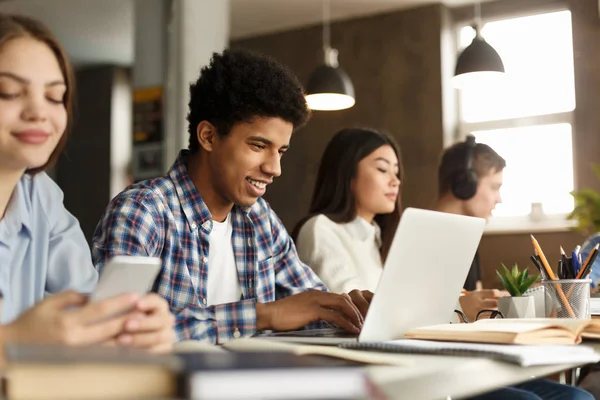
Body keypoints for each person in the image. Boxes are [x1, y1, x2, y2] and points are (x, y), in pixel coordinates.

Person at [92, 49, 370, 344]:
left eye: (281, 151)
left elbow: (309, 308)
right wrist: (263, 315)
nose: (274, 168)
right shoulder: (142, 211)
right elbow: (113, 329)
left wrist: (352, 311)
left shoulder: (260, 220)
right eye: (259, 146)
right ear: (208, 136)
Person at [0, 13, 174, 352]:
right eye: (7, 92)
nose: (39, 111)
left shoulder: (42, 197)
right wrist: (13, 340)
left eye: (54, 97)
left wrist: (128, 325)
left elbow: (86, 306)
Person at [434, 136, 593, 400]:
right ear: (465, 184)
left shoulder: (468, 236)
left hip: (480, 366)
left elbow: (474, 307)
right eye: (495, 187)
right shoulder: (426, 236)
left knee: (579, 398)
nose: (499, 199)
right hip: (450, 373)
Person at [293, 128, 498, 320]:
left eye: (396, 171)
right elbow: (354, 310)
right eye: (382, 169)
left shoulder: (381, 238)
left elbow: (405, 306)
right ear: (347, 174)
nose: (396, 181)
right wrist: (457, 309)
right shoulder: (320, 229)